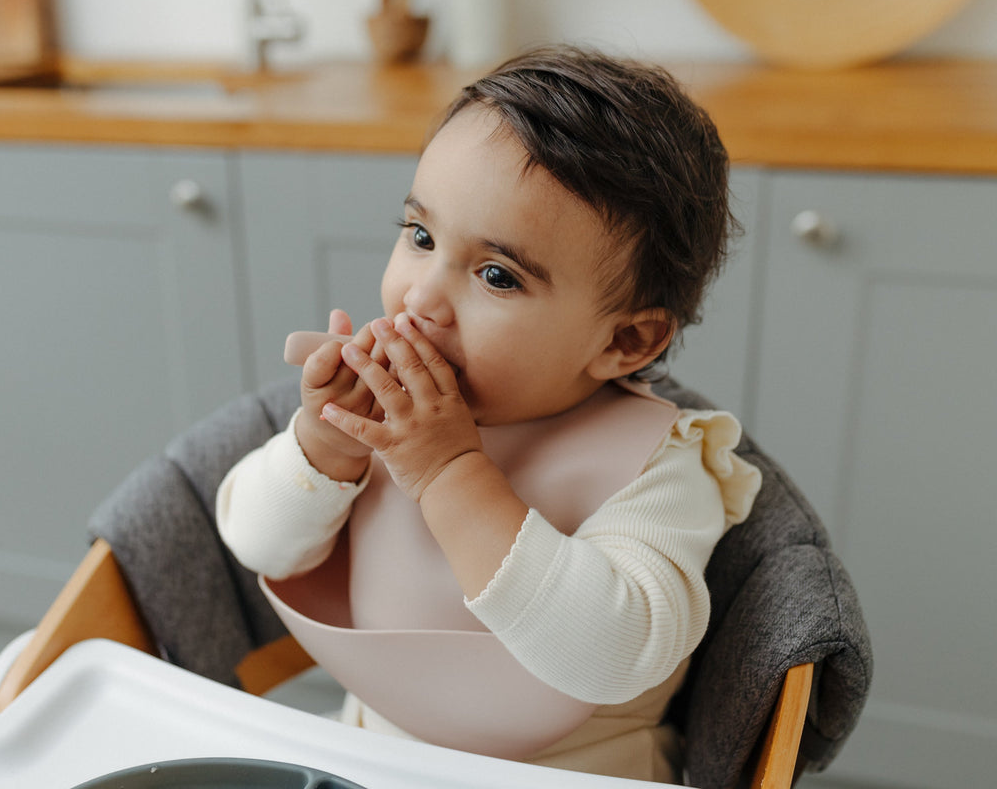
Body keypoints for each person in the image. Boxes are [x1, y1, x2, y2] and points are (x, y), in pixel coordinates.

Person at [216, 45, 761, 783]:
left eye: (497, 276)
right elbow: (257, 543)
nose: (420, 300)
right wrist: (321, 447)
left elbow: (618, 650)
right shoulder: (376, 410)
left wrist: (447, 471)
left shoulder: (661, 464)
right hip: (372, 747)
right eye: (420, 237)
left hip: (576, 772)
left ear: (625, 339)